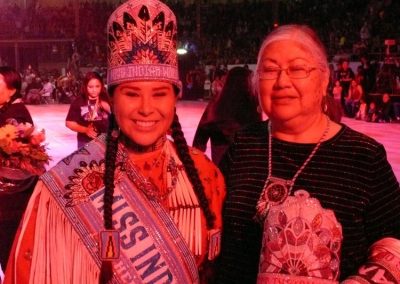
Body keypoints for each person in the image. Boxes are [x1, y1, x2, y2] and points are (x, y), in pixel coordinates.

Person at [4, 1, 225, 283]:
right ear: (113, 99)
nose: (146, 108)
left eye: (159, 94)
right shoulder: (60, 188)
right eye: (131, 94)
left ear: (175, 98)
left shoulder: (205, 176)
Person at [217, 24, 400, 283]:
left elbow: (394, 239)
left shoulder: (364, 156)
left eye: (297, 69)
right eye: (270, 70)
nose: (282, 81)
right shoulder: (244, 145)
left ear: (324, 78)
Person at [192, 66, 262, 164]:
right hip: (246, 162)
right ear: (247, 82)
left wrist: (198, 159)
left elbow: (201, 135)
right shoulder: (252, 103)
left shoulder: (216, 102)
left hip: (221, 162)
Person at [66, 71, 111, 149]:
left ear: (102, 86)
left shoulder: (108, 99)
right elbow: (69, 123)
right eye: (90, 87)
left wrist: (109, 109)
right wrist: (85, 130)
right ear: (85, 86)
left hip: (106, 143)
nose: (94, 90)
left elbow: (120, 120)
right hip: (84, 143)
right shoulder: (79, 101)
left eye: (97, 86)